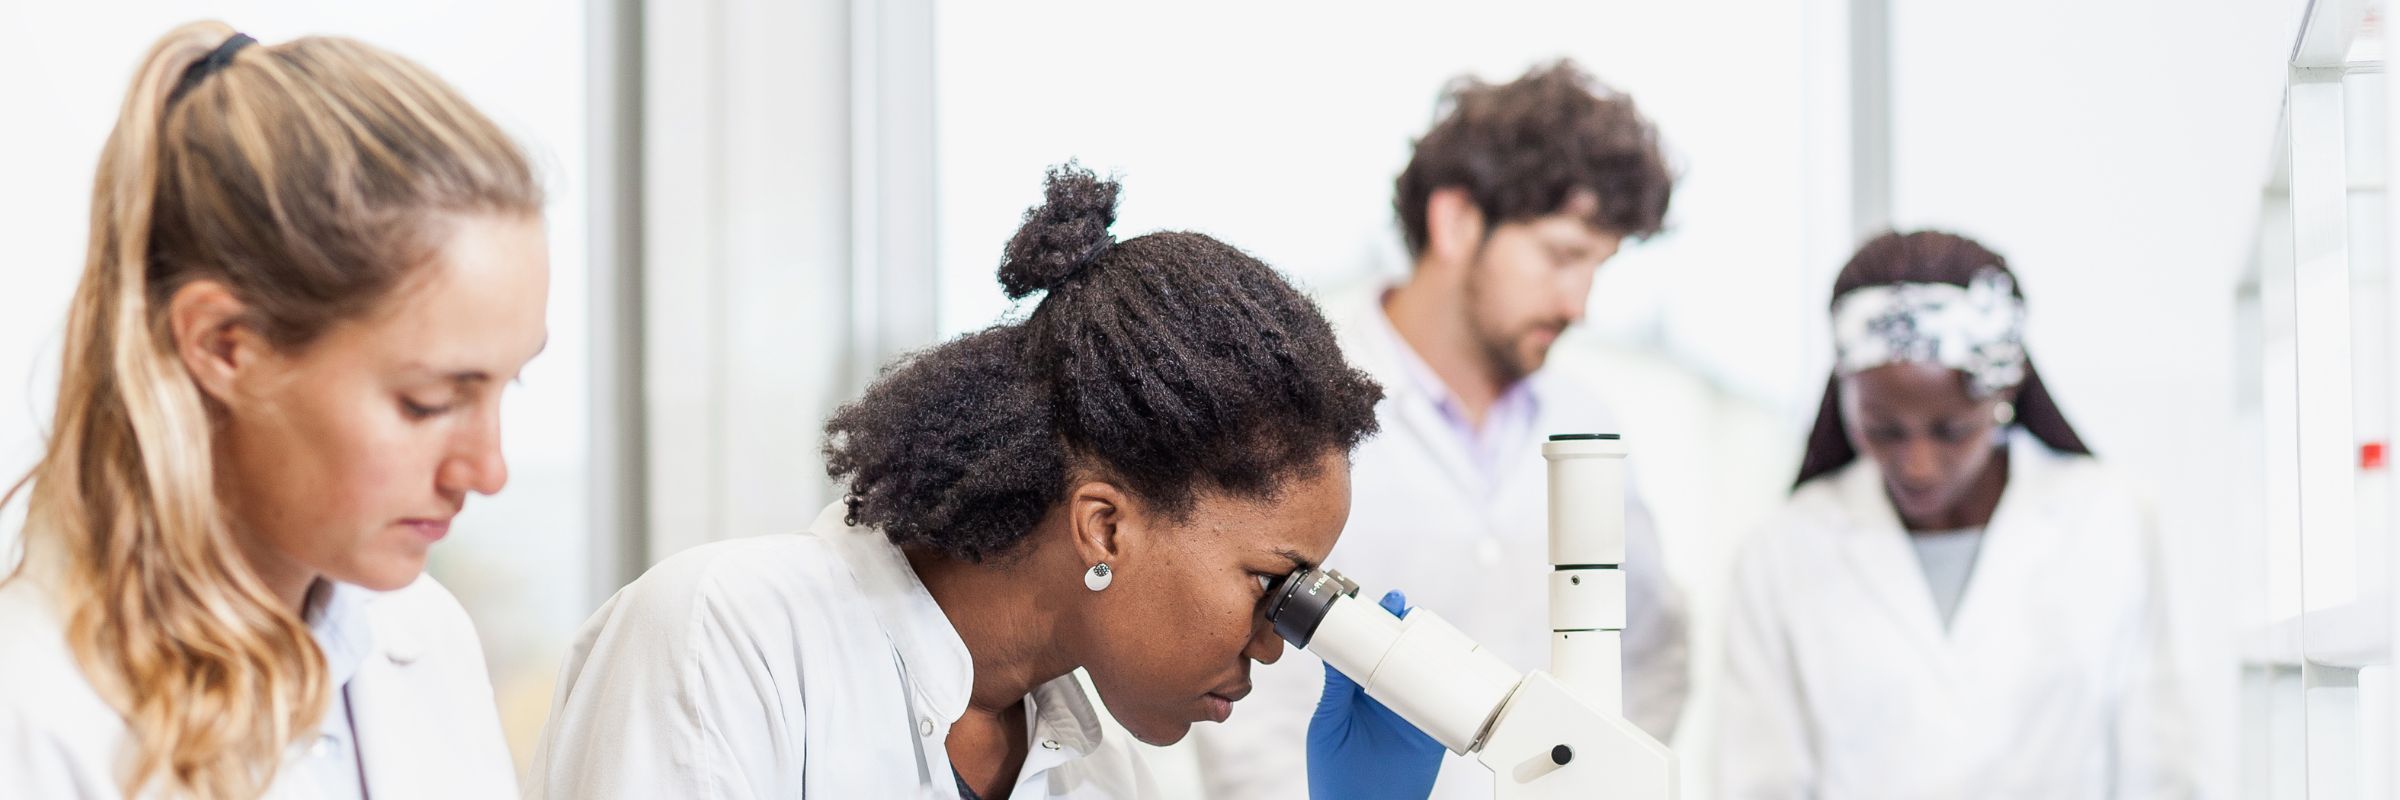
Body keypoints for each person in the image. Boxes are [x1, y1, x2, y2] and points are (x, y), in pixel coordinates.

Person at [526, 165, 1435, 799]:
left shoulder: (1094, 770)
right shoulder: (725, 639)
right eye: (1270, 584)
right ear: (1105, 528)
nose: (1273, 644)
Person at [0, 21, 549, 799]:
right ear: (225, 346)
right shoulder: (29, 715)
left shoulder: (426, 638)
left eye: (506, 385)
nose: (487, 471)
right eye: (427, 403)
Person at [1191, 59, 1690, 799]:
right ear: (1456, 221)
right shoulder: (1296, 412)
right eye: (1561, 256)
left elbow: (1653, 651)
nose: (1579, 302)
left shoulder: (1585, 424)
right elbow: (1230, 671)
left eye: (1599, 267)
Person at [1715, 231, 2197, 798]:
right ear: (1843, 395)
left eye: (1952, 430)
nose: (1917, 465)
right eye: (1883, 429)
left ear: (2005, 393)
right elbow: (1757, 778)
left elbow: (2161, 760)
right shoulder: (1782, 550)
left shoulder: (2111, 520)